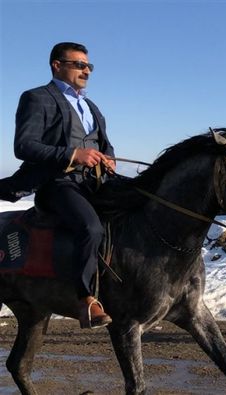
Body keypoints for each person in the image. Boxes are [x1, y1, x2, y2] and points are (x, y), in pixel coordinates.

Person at [10, 42, 115, 329]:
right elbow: (24, 146)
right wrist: (72, 155)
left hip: (94, 183)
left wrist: (109, 160)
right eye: (79, 65)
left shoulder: (91, 106)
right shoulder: (36, 98)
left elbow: (105, 145)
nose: (86, 71)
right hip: (58, 183)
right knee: (90, 227)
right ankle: (85, 300)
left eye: (88, 66)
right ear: (57, 65)